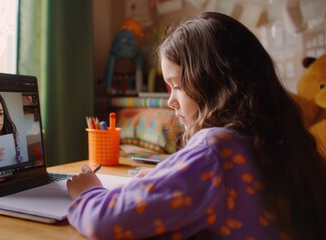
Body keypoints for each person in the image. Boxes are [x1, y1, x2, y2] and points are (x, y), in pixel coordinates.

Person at [66, 12, 326, 239]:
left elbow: (107, 223)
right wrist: (168, 178)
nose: (171, 101)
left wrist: (88, 192)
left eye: (177, 86)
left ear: (216, 83)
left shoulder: (216, 150)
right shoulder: (281, 141)